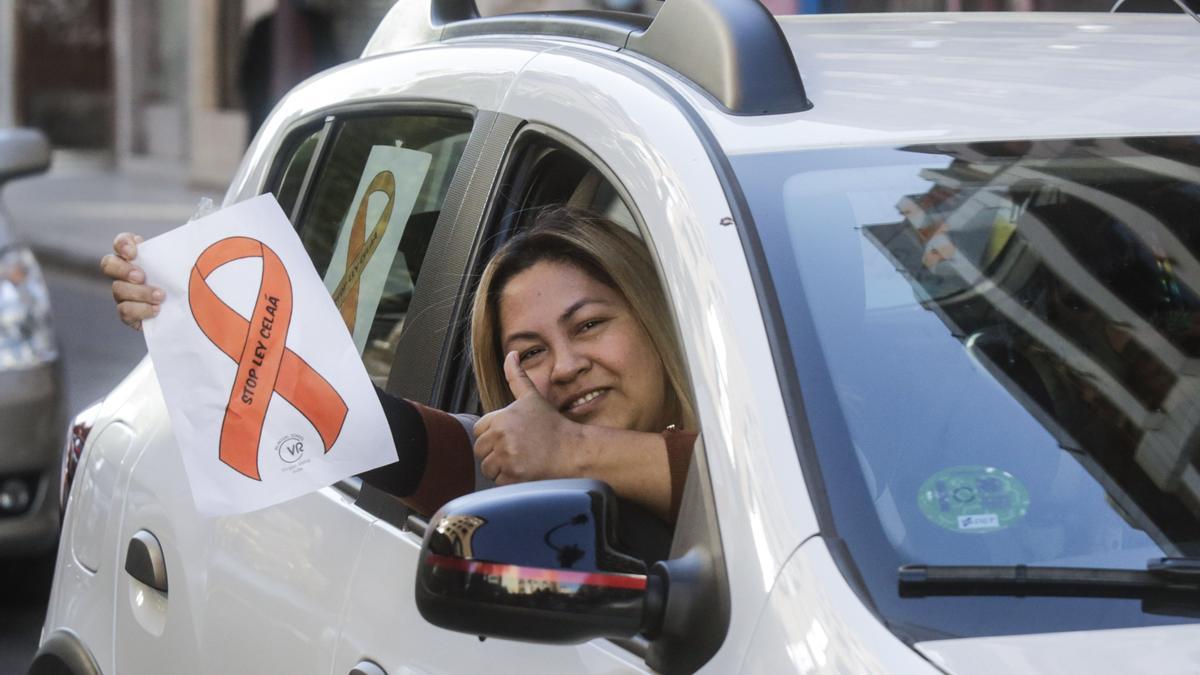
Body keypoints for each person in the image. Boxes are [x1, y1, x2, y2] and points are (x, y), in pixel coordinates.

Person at [101, 206, 697, 558]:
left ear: (653, 315)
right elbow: (355, 421)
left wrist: (574, 451)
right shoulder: (508, 464)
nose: (565, 366)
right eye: (531, 351)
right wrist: (178, 302)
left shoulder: (778, 429)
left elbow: (764, 484)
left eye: (589, 324)